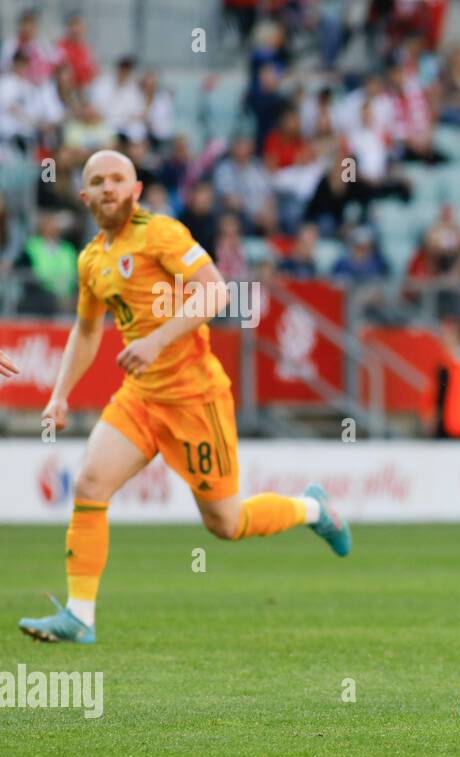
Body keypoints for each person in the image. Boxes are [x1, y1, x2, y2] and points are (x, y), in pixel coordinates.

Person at [18, 150, 351, 646]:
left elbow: (216, 292)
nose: (108, 187)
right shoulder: (91, 259)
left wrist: (155, 341)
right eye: (97, 181)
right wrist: (59, 395)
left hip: (195, 398)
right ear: (84, 196)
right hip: (140, 399)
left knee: (226, 521)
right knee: (90, 484)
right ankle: (80, 615)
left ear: (134, 190)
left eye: (118, 179)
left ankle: (312, 510)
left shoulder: (162, 234)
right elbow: (86, 331)